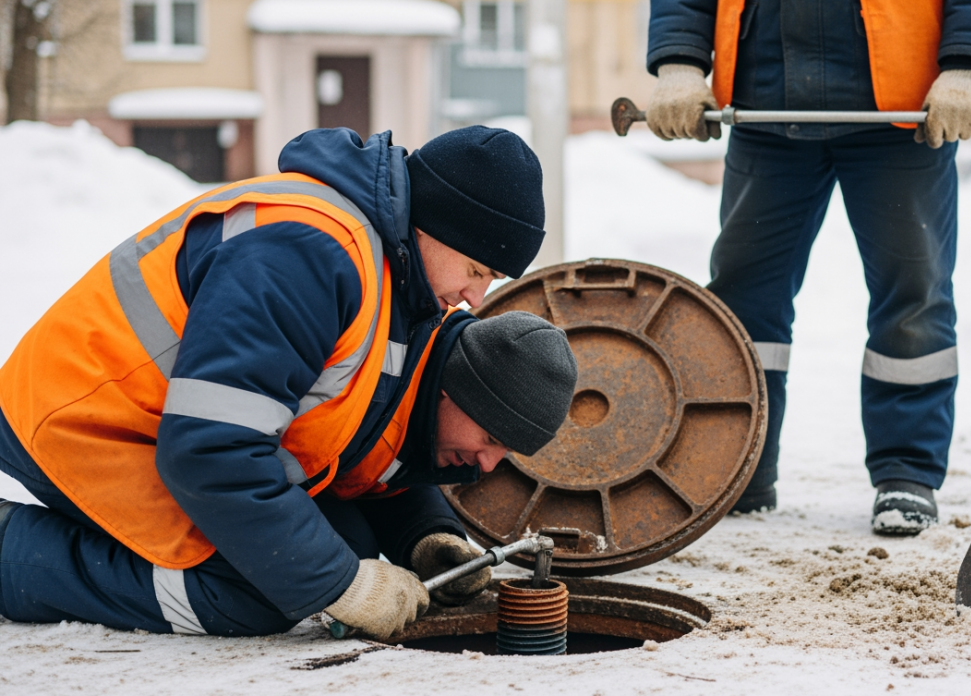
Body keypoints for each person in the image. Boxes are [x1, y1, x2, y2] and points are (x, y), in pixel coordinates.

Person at [0, 125, 579, 639]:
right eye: (476, 269)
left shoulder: (395, 281)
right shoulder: (310, 252)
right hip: (84, 415)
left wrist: (423, 535)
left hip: (151, 421)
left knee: (337, 542)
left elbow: (362, 433)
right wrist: (339, 586)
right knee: (261, 589)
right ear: (431, 222)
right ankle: (11, 555)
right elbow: (213, 450)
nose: (476, 298)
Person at [644, 0, 971, 533]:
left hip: (898, 109)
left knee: (913, 295)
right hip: (765, 103)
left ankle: (906, 472)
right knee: (743, 301)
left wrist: (970, 62)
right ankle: (740, 465)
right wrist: (679, 59)